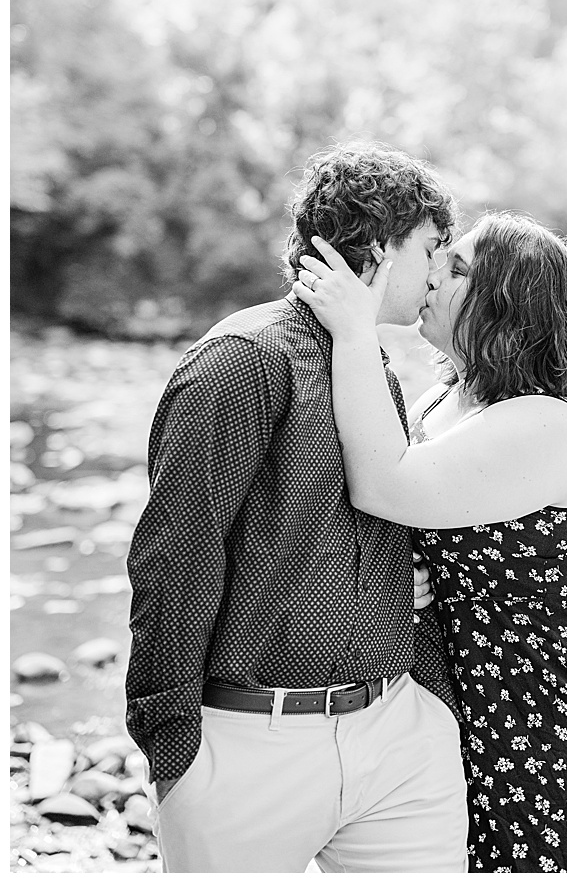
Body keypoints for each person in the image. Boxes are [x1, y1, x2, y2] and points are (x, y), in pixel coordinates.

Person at [126, 141, 469, 872]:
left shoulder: (371, 362)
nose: (443, 269)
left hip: (398, 742)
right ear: (378, 244)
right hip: (249, 750)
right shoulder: (241, 361)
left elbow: (381, 510)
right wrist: (174, 743)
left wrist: (427, 679)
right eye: (433, 247)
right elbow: (175, 556)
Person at [292, 210, 567, 872]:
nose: (433, 272)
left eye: (456, 268)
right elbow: (384, 514)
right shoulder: (444, 398)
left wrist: (352, 327)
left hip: (553, 717)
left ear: (505, 306)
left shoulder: (545, 423)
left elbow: (383, 485)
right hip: (470, 704)